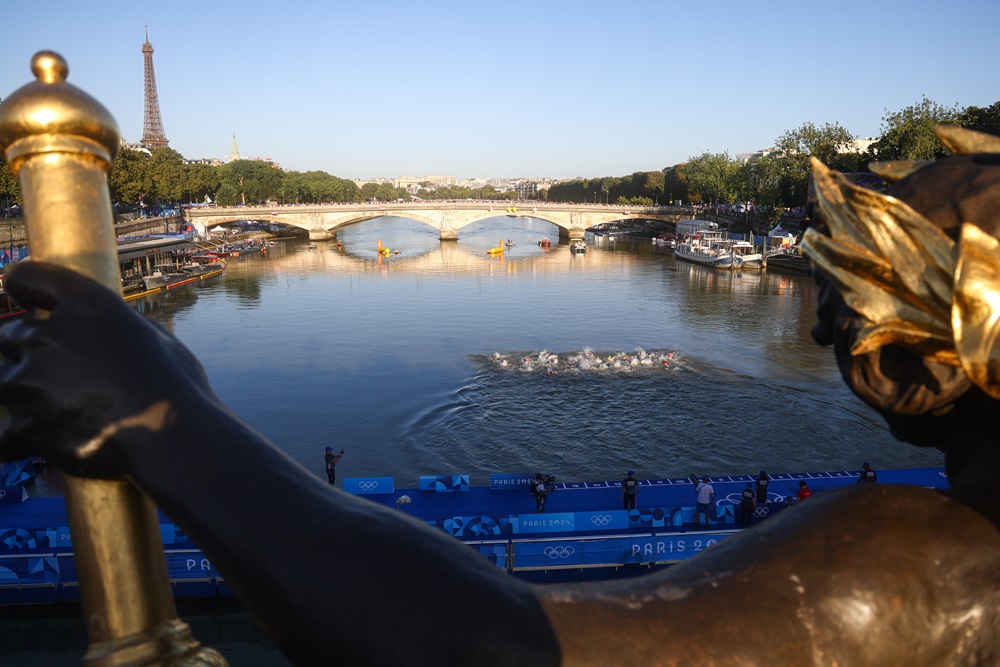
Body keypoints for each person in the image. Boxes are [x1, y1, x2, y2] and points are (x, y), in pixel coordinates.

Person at [2, 129, 1000, 664]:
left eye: (836, 307)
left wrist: (172, 416)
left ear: (904, 364)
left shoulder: (920, 555)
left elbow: (490, 648)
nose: (820, 329)